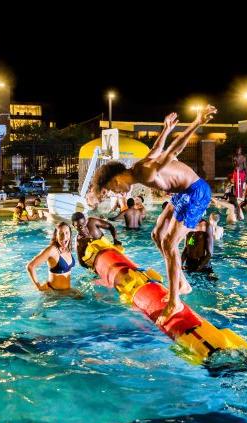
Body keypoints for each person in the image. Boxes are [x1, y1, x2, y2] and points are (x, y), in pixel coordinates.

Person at [90, 106, 217, 323]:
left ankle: (174, 302)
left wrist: (197, 122)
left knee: (169, 242)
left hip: (195, 192)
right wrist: (166, 129)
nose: (116, 193)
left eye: (112, 189)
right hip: (182, 193)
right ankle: (182, 283)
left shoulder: (143, 172)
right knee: (157, 234)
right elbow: (159, 148)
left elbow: (172, 152)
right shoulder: (138, 168)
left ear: (115, 179)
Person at [26, 222, 83, 296]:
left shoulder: (67, 249)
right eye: (61, 234)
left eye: (67, 233)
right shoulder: (52, 250)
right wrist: (38, 286)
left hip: (66, 291)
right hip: (54, 294)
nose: (64, 237)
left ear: (70, 234)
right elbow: (30, 266)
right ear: (56, 236)